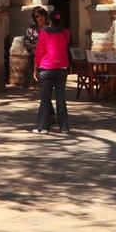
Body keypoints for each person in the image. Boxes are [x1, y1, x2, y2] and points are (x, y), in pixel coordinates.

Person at [29, 8, 72, 136]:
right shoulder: (66, 33)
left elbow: (39, 51)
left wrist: (35, 68)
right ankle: (64, 127)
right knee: (61, 99)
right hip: (62, 68)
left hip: (46, 68)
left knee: (45, 99)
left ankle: (43, 127)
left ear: (50, 20)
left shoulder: (44, 33)